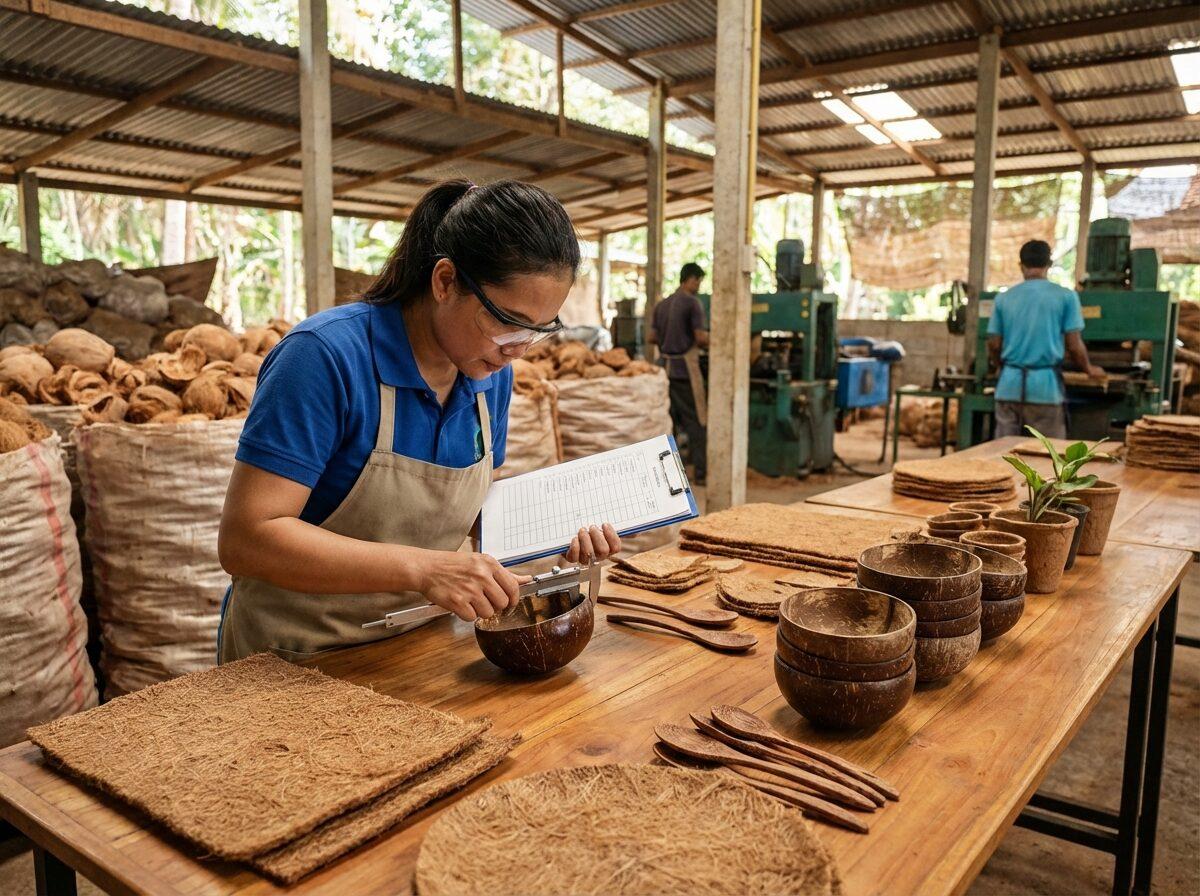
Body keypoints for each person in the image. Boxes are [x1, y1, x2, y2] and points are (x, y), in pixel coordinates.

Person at [217, 180, 620, 663]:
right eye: (507, 323)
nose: (515, 349)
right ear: (445, 281)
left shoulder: (489, 375)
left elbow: (468, 513)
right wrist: (424, 569)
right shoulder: (323, 358)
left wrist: (554, 537)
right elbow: (246, 539)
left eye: (536, 331)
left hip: (417, 649)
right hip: (294, 657)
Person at [986, 239, 1105, 439]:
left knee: (1004, 455)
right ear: (1048, 265)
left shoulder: (1003, 299)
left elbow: (994, 343)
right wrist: (1089, 369)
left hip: (1008, 388)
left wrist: (1001, 366)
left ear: (1021, 265)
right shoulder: (1066, 297)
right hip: (1044, 390)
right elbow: (1074, 345)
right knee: (1047, 457)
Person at [648, 262, 710, 484]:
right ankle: (701, 474)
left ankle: (668, 476)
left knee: (669, 422)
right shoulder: (692, 303)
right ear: (690, 279)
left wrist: (669, 339)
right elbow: (701, 338)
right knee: (697, 421)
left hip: (664, 370)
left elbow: (651, 338)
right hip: (684, 371)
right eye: (698, 281)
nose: (699, 286)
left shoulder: (662, 304)